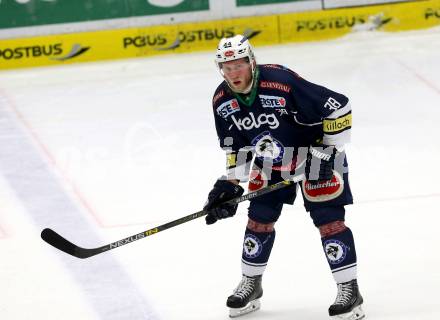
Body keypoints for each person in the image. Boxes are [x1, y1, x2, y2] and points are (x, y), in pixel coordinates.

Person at [203, 34, 364, 319]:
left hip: (317, 157)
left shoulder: (281, 82)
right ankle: (251, 284)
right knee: (258, 220)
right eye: (226, 68)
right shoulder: (221, 101)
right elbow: (235, 145)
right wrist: (230, 183)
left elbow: (340, 106)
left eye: (238, 65)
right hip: (271, 162)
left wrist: (327, 150)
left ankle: (349, 290)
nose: (233, 73)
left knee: (330, 223)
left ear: (251, 62)